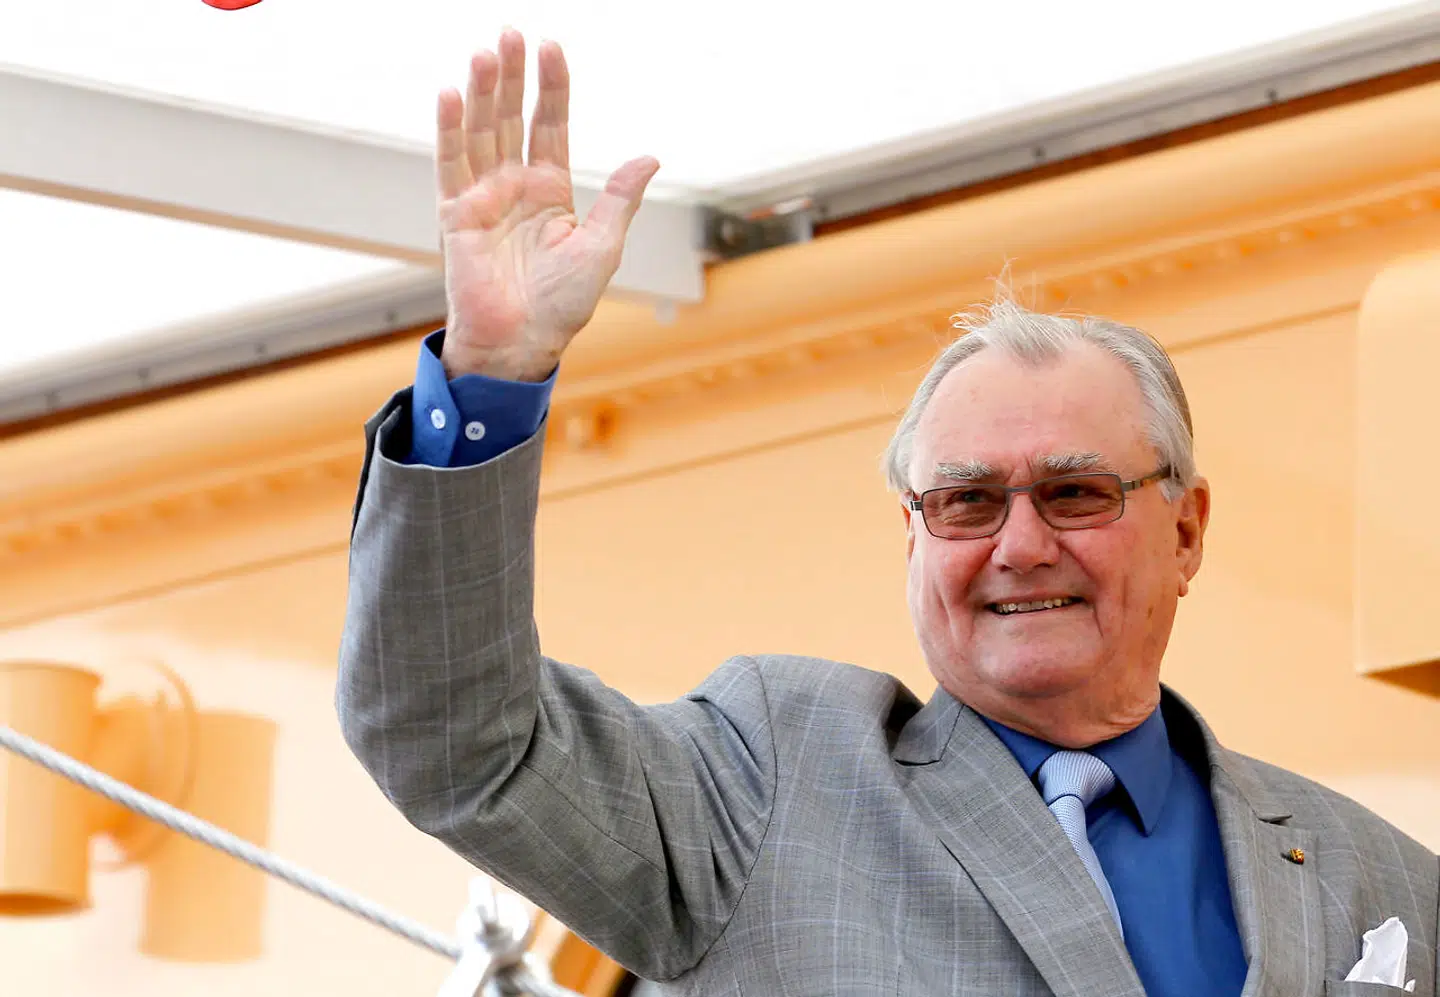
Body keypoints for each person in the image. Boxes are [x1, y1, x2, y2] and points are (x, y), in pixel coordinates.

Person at [336, 30, 1438, 997]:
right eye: (965, 501)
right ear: (913, 535)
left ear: (1187, 529)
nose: (1020, 544)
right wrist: (491, 376)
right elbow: (455, 742)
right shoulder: (768, 783)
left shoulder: (1383, 879)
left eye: (1074, 491)